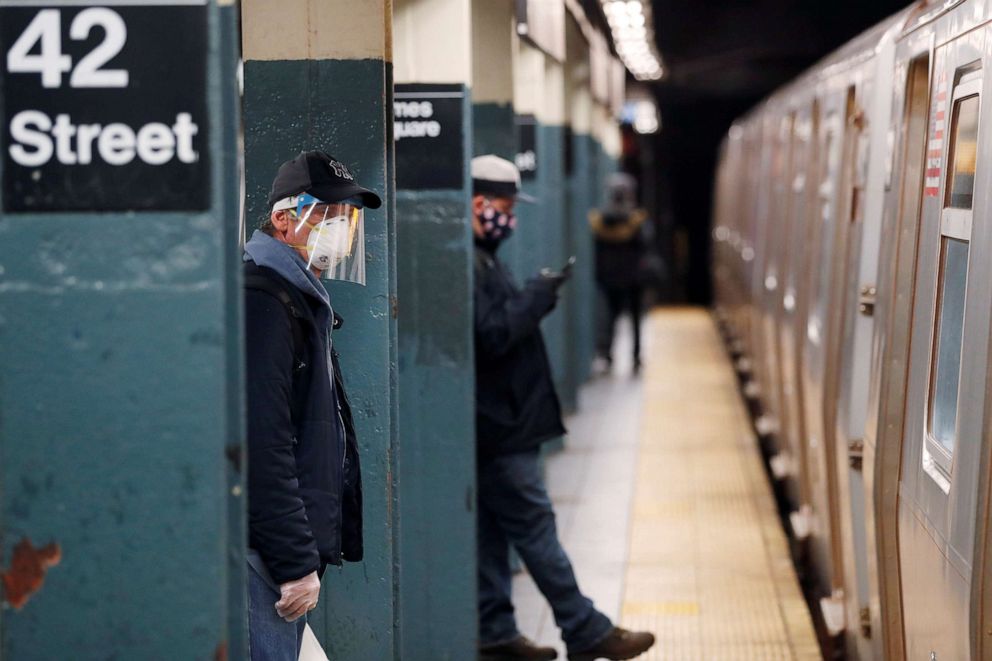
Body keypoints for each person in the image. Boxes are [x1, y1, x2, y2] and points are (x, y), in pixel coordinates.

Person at [472, 154, 656, 661]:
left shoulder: (482, 256)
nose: (508, 217)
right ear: (478, 203)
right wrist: (535, 297)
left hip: (499, 424)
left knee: (491, 530)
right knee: (535, 530)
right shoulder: (468, 260)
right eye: (503, 206)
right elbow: (491, 334)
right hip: (501, 427)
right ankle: (585, 628)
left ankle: (494, 632)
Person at [242, 150, 380, 660]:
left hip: (275, 552)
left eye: (346, 217)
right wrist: (295, 560)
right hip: (263, 558)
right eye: (326, 214)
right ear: (283, 219)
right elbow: (262, 440)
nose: (340, 227)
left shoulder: (300, 296)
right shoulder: (264, 300)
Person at [589, 173, 650, 373]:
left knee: (611, 319)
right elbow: (645, 244)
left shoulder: (600, 220)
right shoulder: (636, 220)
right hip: (633, 277)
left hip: (610, 277)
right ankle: (635, 356)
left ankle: (608, 355)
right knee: (634, 320)